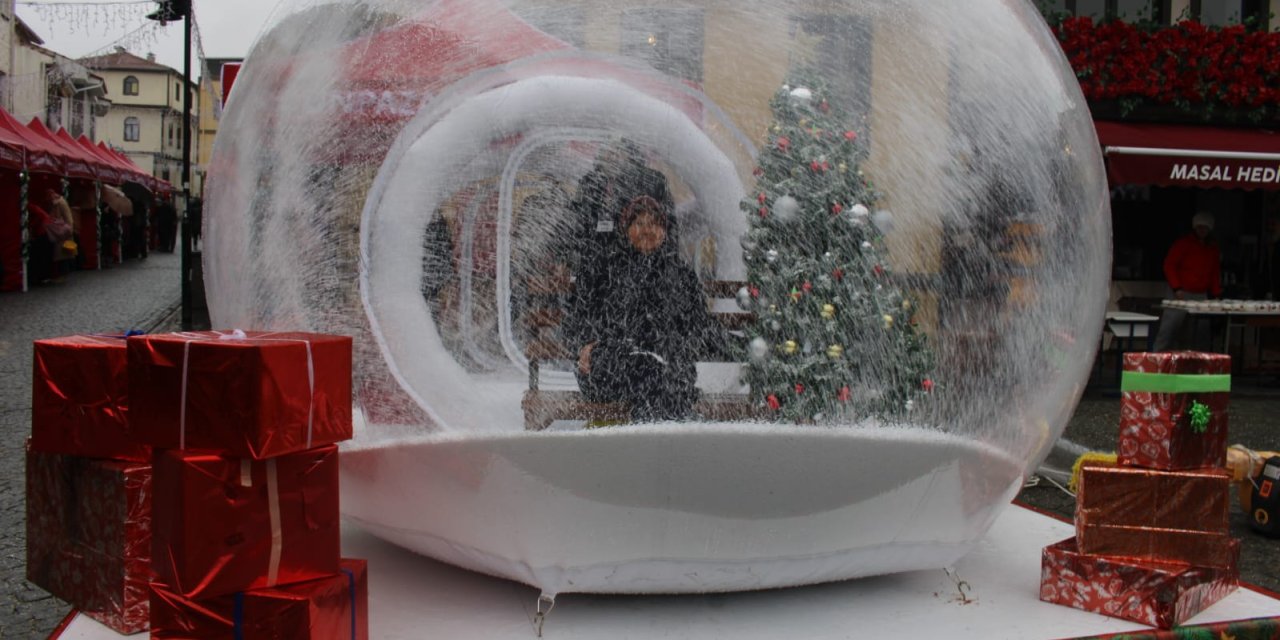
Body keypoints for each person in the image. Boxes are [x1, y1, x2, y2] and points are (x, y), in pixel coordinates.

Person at [564, 175, 726, 422]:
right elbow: (578, 316)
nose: (647, 230)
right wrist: (584, 345)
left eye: (654, 224)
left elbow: (698, 324)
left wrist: (721, 344)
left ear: (664, 231)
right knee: (653, 375)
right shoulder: (604, 269)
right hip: (610, 369)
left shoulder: (679, 274)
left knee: (661, 375)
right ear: (626, 229)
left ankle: (652, 437)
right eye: (639, 223)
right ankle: (662, 435)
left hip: (666, 370)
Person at [1153, 212, 1222, 351]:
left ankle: (1198, 361)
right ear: (1194, 228)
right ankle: (1157, 357)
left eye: (1205, 228)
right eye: (1199, 227)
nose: (1202, 231)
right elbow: (1169, 265)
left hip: (1201, 295)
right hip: (1180, 294)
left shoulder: (1212, 248)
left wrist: (1216, 294)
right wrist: (1176, 287)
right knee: (1169, 328)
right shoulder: (1183, 244)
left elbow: (1215, 272)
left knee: (1200, 331)